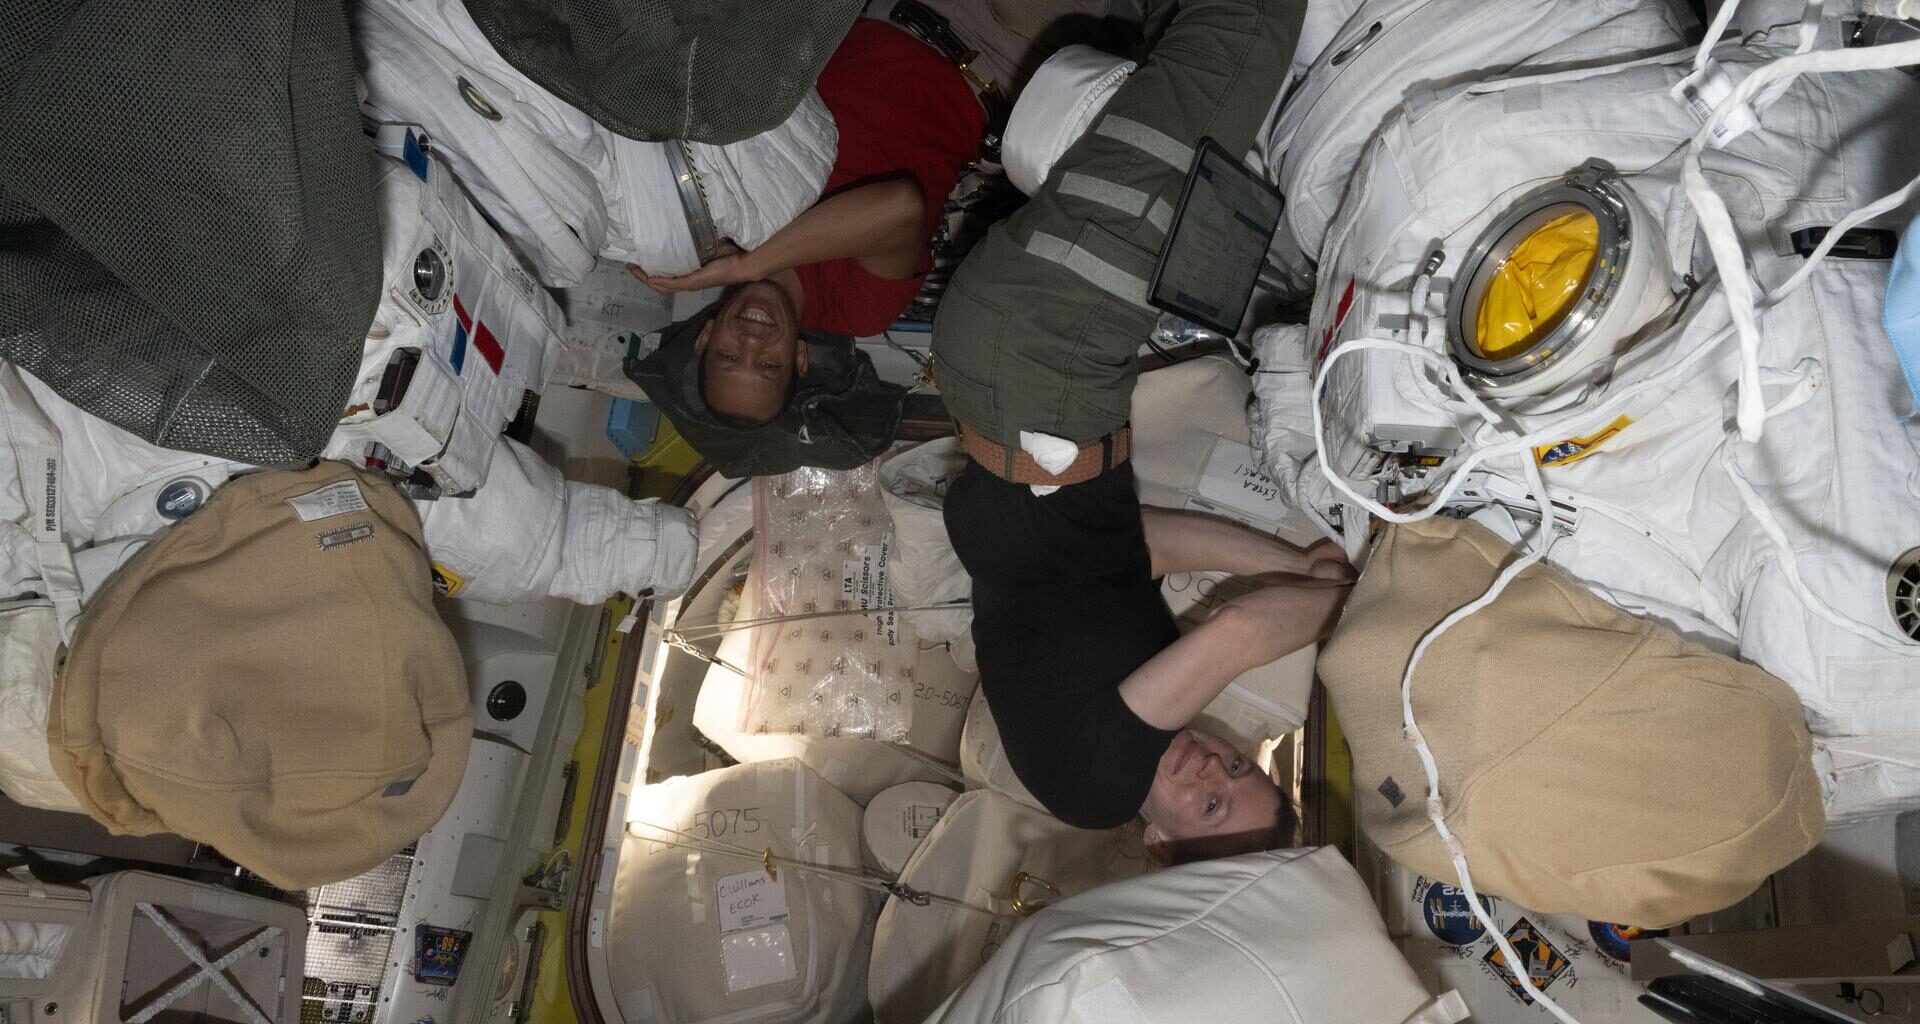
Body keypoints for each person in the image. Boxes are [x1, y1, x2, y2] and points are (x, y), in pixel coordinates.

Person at [934, 0, 1329, 862]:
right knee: (1181, 74)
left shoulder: (1096, 786)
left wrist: (1358, 610)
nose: (1210, 768)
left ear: (1158, 838)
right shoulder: (1135, 715)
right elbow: (1135, 547)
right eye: (1240, 768)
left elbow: (1240, 634)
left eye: (1211, 806)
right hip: (1026, 384)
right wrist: (1294, 562)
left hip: (1045, 367)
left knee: (1240, 45)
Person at [629, 19, 987, 424]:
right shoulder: (854, 311)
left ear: (707, 337)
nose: (752, 342)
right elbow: (900, 206)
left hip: (859, 19)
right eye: (769, 365)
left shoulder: (720, 237)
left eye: (729, 355)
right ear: (798, 358)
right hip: (972, 50)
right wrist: (751, 263)